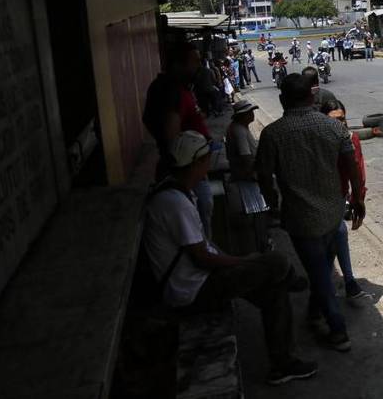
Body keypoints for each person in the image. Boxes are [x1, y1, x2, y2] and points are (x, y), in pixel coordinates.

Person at [143, 131, 316, 385]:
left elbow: (205, 249)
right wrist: (243, 262)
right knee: (276, 262)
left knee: (273, 290)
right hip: (193, 291)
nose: (208, 163)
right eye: (206, 159)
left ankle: (283, 364)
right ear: (196, 163)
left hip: (199, 280)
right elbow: (203, 257)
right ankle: (288, 284)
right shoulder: (175, 203)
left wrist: (239, 261)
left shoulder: (177, 193)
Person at [256, 73, 366, 352]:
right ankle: (314, 314)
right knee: (323, 271)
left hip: (301, 220)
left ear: (282, 99)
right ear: (311, 98)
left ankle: (339, 332)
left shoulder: (272, 134)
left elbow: (263, 176)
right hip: (332, 215)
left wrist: (272, 207)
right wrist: (357, 199)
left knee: (320, 275)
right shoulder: (332, 128)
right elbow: (351, 163)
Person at [143, 41, 216, 236]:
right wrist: (185, 167)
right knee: (198, 224)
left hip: (193, 170)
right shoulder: (170, 91)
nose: (199, 66)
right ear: (177, 65)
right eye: (195, 61)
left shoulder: (177, 88)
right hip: (188, 173)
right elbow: (171, 138)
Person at [320, 98, 373, 305]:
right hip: (317, 198)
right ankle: (330, 289)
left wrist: (358, 199)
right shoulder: (317, 139)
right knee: (331, 242)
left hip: (339, 198)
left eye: (342, 119)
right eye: (334, 120)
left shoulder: (351, 138)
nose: (339, 124)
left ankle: (345, 284)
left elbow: (358, 171)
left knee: (338, 236)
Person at [225, 100, 271, 253]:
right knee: (258, 211)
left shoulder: (238, 128)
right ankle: (261, 244)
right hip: (247, 177)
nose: (252, 115)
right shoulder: (239, 131)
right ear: (243, 115)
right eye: (250, 112)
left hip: (245, 175)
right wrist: (256, 174)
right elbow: (246, 157)